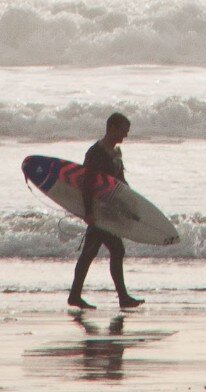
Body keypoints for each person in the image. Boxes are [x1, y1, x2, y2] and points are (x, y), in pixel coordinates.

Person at [68, 112, 143, 309]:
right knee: (113, 249)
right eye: (123, 131)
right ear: (112, 128)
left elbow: (120, 183)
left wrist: (131, 203)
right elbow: (87, 184)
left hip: (110, 210)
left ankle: (75, 295)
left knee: (91, 253)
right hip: (98, 211)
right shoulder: (95, 153)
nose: (125, 136)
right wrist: (88, 212)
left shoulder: (116, 153)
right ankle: (122, 298)